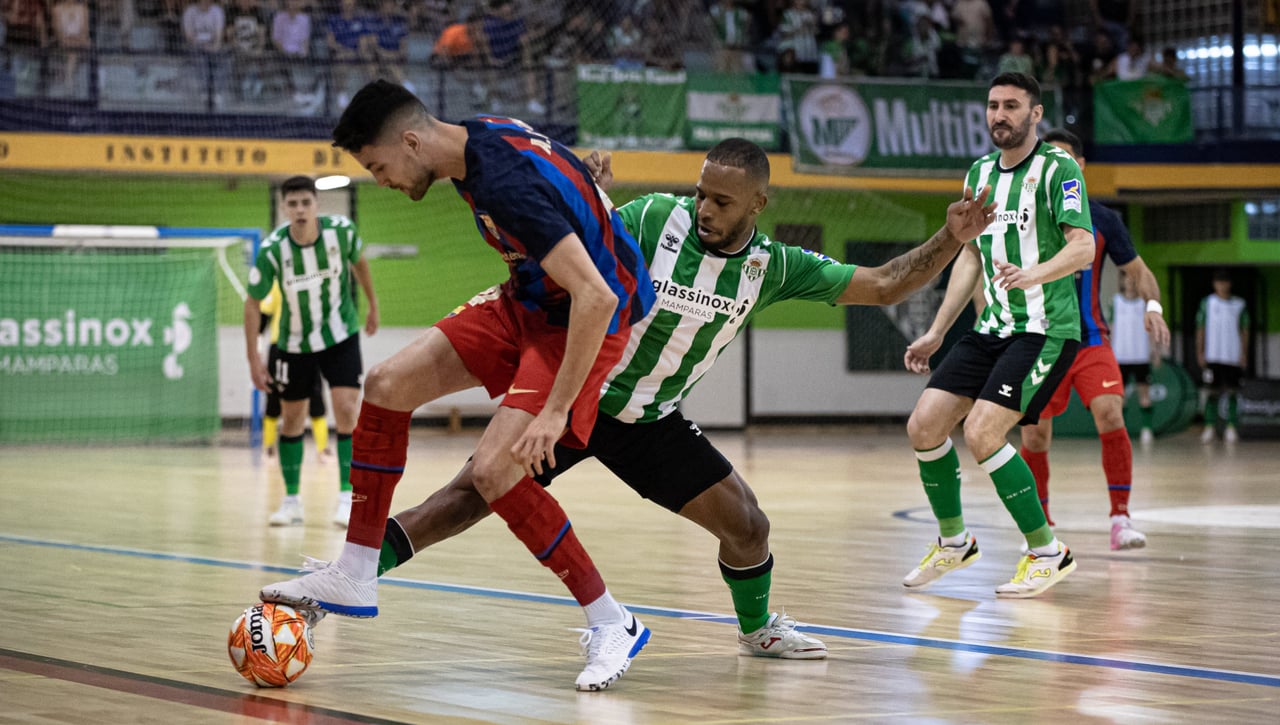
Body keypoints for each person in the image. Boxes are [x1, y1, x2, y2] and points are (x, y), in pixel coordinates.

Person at [359, 138, 996, 661]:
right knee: (465, 497)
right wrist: (585, 190)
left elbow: (885, 284)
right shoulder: (653, 218)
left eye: (722, 201)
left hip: (649, 422)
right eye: (700, 193)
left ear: (758, 204)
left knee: (748, 527)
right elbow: (581, 248)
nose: (705, 209)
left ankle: (757, 630)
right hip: (577, 399)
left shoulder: (772, 267)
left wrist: (951, 238)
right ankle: (353, 573)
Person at [259, 80, 657, 692]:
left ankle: (612, 620)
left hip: (580, 320)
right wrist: (587, 182)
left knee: (496, 471)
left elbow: (598, 295)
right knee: (387, 382)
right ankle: (356, 570)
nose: (382, 180)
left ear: (412, 141)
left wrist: (555, 413)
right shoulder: (481, 136)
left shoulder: (504, 183)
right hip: (527, 300)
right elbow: (554, 169)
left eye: (378, 166)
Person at [901, 73, 1096, 599]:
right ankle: (953, 542)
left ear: (1035, 114)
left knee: (984, 432)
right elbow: (970, 254)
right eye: (992, 106)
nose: (999, 115)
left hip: (1045, 330)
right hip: (992, 328)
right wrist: (938, 331)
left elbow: (1084, 247)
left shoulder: (1059, 170)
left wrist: (1036, 274)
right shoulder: (980, 174)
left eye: (1011, 105)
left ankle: (1048, 552)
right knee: (924, 426)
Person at [1015, 128, 1169, 551]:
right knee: (1034, 437)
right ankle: (1040, 530)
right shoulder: (1025, 214)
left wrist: (1153, 309)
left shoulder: (1103, 220)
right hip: (1039, 342)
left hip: (1089, 340)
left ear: (1080, 167)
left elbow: (1139, 272)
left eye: (1063, 158)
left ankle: (1120, 519)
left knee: (1111, 415)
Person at [244, 175, 379, 527]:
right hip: (292, 343)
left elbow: (360, 263)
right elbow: (252, 303)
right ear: (284, 208)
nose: (300, 210)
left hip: (340, 335)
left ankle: (346, 498)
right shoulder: (274, 249)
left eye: (306, 202)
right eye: (293, 204)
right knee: (291, 420)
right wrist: (254, 358)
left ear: (317, 204)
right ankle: (291, 502)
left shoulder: (342, 233)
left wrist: (373, 305)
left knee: (347, 410)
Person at [258, 281, 334, 465]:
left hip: (310, 346)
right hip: (281, 346)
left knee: (315, 395)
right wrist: (258, 349)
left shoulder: (317, 284)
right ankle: (269, 448)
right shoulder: (277, 283)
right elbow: (263, 319)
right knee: (274, 396)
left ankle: (323, 449)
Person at [1197, 269, 1250, 444]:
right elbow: (1200, 328)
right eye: (1219, 282)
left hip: (1232, 356)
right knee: (1211, 391)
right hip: (1213, 355)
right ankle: (1209, 427)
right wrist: (1200, 351)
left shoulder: (1239, 305)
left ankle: (1231, 427)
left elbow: (1244, 330)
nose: (1222, 285)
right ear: (1214, 284)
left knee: (1233, 391)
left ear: (1230, 284)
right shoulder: (1207, 303)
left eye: (1225, 281)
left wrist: (1243, 353)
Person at [1111, 269, 1159, 444]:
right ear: (1122, 281)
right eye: (1127, 278)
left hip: (1140, 356)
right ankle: (1120, 433)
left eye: (1133, 279)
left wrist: (1155, 352)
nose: (1130, 282)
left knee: (1144, 395)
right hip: (1120, 356)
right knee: (1119, 397)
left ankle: (1147, 430)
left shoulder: (1144, 304)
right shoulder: (1116, 302)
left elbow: (1153, 330)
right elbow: (1111, 328)